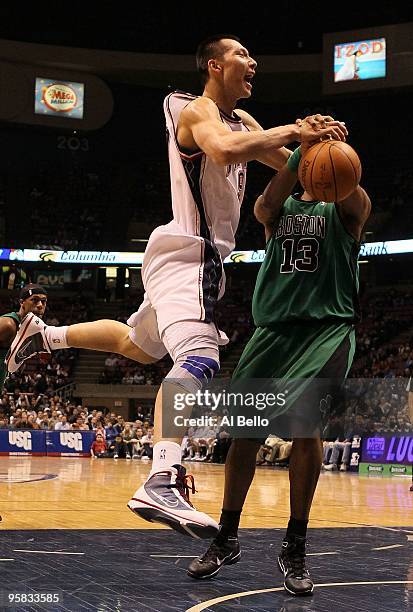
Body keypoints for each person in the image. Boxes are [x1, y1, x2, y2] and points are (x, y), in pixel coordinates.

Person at [6, 35, 346, 539]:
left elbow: (291, 169)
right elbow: (223, 149)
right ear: (214, 64)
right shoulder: (189, 108)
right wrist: (294, 129)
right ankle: (160, 478)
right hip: (191, 253)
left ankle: (44, 333)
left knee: (136, 346)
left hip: (191, 258)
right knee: (200, 357)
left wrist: (320, 147)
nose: (253, 62)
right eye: (242, 55)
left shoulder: (246, 122)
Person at [187, 141, 371, 595]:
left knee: (305, 429)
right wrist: (300, 153)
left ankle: (295, 546)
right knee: (244, 436)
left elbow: (353, 193)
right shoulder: (279, 205)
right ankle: (227, 537)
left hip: (326, 330)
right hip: (272, 333)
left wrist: (334, 147)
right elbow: (265, 205)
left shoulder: (348, 208)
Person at [0, 284, 47, 392]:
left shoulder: (32, 328)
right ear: (22, 303)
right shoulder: (8, 324)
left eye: (43, 301)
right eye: (35, 300)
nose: (40, 305)